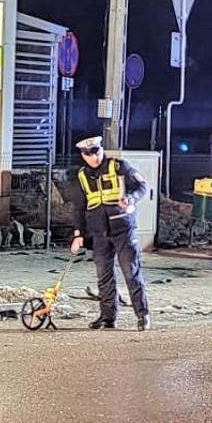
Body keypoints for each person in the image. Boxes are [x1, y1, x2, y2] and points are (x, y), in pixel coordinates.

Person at [68, 136, 152, 330]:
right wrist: (78, 234)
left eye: (96, 152)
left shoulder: (119, 166)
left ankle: (142, 315)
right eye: (89, 155)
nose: (94, 157)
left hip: (122, 229)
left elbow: (143, 186)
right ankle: (108, 317)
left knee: (131, 272)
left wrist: (131, 199)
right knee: (103, 276)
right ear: (83, 156)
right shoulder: (81, 176)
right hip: (99, 233)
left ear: (101, 149)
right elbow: (79, 207)